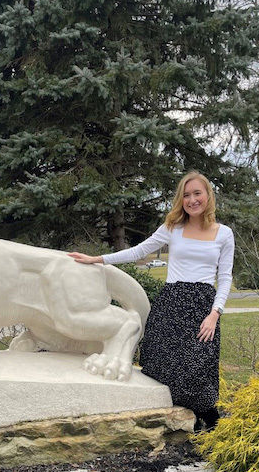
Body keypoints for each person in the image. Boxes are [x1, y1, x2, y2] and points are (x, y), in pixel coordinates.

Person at [68, 171, 234, 430]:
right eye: (186, 195)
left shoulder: (224, 234)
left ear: (208, 196)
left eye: (197, 193)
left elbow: (224, 278)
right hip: (172, 303)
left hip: (203, 306)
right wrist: (97, 259)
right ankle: (182, 421)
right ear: (181, 200)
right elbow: (138, 251)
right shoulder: (172, 229)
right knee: (161, 364)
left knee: (199, 366)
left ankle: (209, 419)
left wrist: (215, 314)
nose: (192, 200)